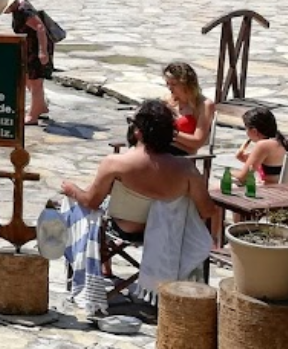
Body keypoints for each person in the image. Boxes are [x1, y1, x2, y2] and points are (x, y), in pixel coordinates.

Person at [61, 100, 215, 313]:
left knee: (72, 205)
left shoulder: (116, 163)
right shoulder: (186, 169)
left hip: (125, 227)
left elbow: (91, 201)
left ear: (139, 132)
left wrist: (71, 189)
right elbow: (208, 211)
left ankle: (88, 279)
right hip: (166, 234)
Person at [0, 0, 54, 125]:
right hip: (28, 48)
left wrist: (42, 52)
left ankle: (33, 115)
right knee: (27, 78)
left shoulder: (24, 11)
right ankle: (40, 106)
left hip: (36, 49)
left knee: (35, 81)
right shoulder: (18, 8)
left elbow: (40, 28)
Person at [162, 62, 214, 156]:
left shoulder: (204, 105)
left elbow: (197, 142)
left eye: (173, 84)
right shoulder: (166, 101)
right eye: (167, 83)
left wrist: (171, 134)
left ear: (186, 84)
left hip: (182, 156)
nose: (169, 88)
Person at [234, 106, 287, 186]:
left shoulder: (263, 145)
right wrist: (248, 161)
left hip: (272, 193)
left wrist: (227, 172)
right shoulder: (282, 141)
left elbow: (242, 178)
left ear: (254, 131)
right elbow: (274, 172)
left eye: (246, 128)